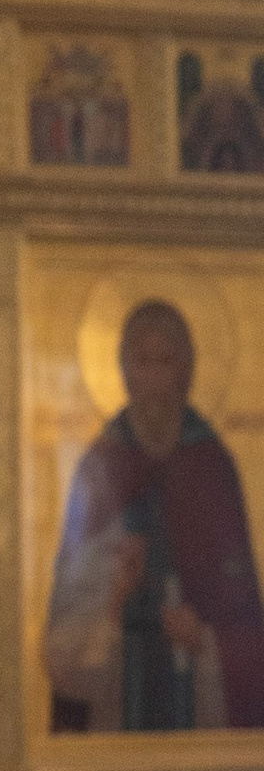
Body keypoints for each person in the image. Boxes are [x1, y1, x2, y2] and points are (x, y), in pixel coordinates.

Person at [45, 296, 264, 730]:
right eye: (143, 363)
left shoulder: (210, 465)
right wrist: (112, 599)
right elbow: (63, 637)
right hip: (115, 697)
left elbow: (243, 616)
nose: (155, 381)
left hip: (200, 706)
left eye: (167, 363)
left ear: (187, 372)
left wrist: (205, 640)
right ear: (125, 373)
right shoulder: (101, 466)